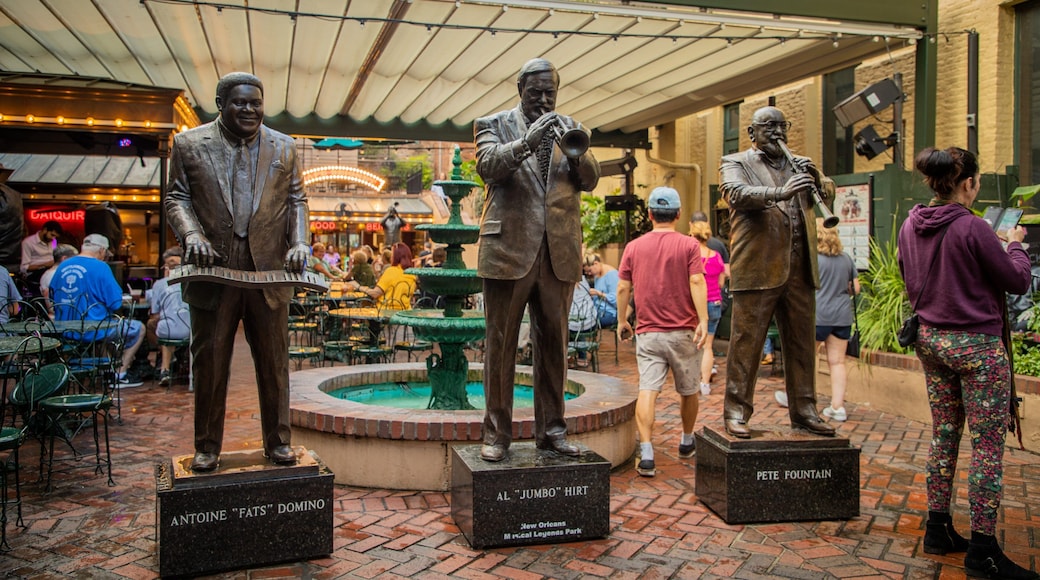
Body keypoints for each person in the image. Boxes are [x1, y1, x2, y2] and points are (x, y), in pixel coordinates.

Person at [898, 147, 1034, 579]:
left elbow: (908, 274)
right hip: (976, 349)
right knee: (988, 449)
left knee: (944, 435)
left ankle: (937, 529)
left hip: (932, 343)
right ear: (969, 183)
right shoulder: (974, 228)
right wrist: (1014, 248)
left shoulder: (909, 224)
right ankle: (982, 550)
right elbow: (1016, 281)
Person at [165, 71, 310, 472]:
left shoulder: (285, 146)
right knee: (210, 362)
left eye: (255, 103)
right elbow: (176, 198)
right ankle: (207, 446)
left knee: (275, 362)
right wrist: (191, 234)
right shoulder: (189, 143)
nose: (249, 109)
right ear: (221, 105)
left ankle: (279, 441)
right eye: (240, 102)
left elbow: (298, 199)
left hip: (269, 272)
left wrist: (300, 242)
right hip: (214, 271)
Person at [474, 57, 600, 462]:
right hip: (508, 251)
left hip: (558, 254)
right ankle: (497, 435)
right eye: (536, 92)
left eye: (550, 92)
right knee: (501, 345)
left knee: (554, 347)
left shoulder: (572, 127)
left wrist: (575, 152)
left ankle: (553, 432)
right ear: (520, 90)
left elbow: (591, 180)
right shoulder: (491, 124)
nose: (544, 99)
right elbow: (488, 166)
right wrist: (530, 139)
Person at [719, 106, 834, 438]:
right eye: (768, 127)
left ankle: (805, 410)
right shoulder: (736, 162)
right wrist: (779, 193)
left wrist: (820, 180)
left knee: (801, 345)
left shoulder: (801, 164)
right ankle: (736, 411)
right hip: (758, 268)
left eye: (782, 126)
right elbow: (736, 193)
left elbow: (827, 196)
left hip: (800, 269)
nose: (777, 133)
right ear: (752, 133)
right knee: (746, 345)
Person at [616, 187, 708, 477]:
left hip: (648, 332)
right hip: (684, 331)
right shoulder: (690, 245)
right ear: (679, 215)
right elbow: (696, 281)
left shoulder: (633, 247)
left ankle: (646, 452)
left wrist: (621, 320)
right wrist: (703, 319)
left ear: (650, 214)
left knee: (648, 389)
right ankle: (686, 439)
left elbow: (622, 287)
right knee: (689, 389)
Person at [49, 234, 145, 387]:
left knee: (108, 327)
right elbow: (115, 304)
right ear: (101, 250)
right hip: (94, 330)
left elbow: (52, 297)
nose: (105, 257)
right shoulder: (101, 267)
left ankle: (105, 370)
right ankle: (120, 374)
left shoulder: (63, 266)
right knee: (138, 328)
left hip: (65, 330)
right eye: (106, 253)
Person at [814, 219, 859, 422]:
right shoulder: (846, 259)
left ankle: (803, 399)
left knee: (808, 359)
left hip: (818, 315)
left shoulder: (814, 259)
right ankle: (837, 406)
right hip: (841, 316)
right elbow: (855, 288)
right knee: (838, 362)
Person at [689, 220, 727, 396]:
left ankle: (692, 381)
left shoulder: (691, 256)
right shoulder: (716, 256)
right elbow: (720, 283)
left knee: (693, 343)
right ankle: (705, 384)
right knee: (708, 346)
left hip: (696, 305)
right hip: (714, 303)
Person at [147, 248, 190, 386]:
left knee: (156, 325)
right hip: (192, 330)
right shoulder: (192, 280)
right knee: (171, 324)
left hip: (170, 330)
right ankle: (180, 360)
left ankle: (165, 368)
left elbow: (155, 313)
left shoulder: (160, 284)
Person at [347, 242, 417, 311]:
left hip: (385, 312)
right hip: (404, 312)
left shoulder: (391, 271)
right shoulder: (411, 274)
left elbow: (375, 293)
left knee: (359, 311)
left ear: (396, 257)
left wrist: (358, 287)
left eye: (392, 255)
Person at [20, 220, 63, 296]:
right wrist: (45, 265)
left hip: (52, 270)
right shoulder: (28, 242)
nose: (53, 238)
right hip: (35, 273)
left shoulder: (53, 241)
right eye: (52, 235)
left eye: (55, 236)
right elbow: (24, 268)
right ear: (45, 230)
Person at [39, 244, 78, 317]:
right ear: (64, 259)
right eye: (74, 259)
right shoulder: (54, 275)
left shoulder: (50, 273)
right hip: (59, 319)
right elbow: (50, 306)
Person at [583, 253, 619, 328]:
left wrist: (599, 293)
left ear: (596, 263)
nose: (589, 274)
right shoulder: (597, 274)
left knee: (584, 322)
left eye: (590, 270)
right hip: (597, 309)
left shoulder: (612, 275)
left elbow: (617, 300)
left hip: (610, 313)